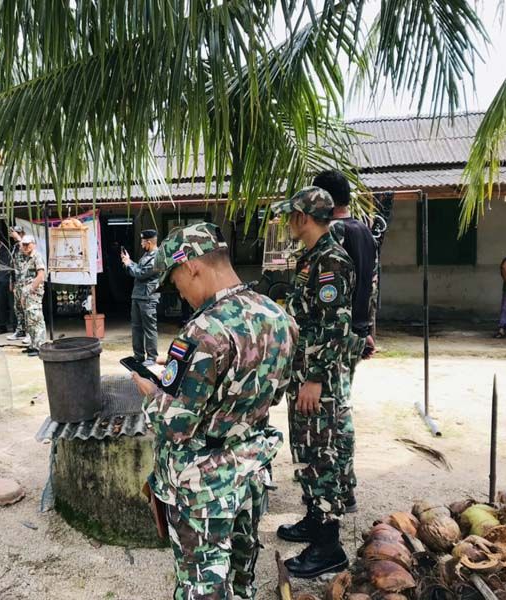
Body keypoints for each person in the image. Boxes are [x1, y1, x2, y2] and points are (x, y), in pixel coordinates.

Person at [131, 222, 297, 599]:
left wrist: (151, 390)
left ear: (192, 266)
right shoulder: (279, 317)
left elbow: (172, 423)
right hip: (251, 471)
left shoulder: (203, 330)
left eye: (176, 282)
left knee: (203, 584)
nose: (180, 293)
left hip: (204, 487)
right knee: (241, 576)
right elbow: (274, 392)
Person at [272, 187, 355, 579]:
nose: (288, 222)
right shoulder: (313, 257)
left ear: (303, 217)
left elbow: (335, 325)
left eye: (291, 215)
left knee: (322, 457)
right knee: (307, 451)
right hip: (304, 374)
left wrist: (316, 378)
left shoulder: (330, 261)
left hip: (316, 380)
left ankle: (328, 548)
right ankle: (313, 519)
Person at [312, 169, 373, 513]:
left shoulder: (333, 233)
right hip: (356, 331)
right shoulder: (363, 230)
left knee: (332, 412)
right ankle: (342, 483)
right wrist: (367, 327)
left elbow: (335, 297)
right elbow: (369, 283)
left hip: (337, 336)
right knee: (341, 404)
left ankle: (339, 486)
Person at [122, 229, 160, 365]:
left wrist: (129, 263)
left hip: (148, 297)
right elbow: (139, 269)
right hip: (138, 295)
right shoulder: (146, 255)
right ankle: (138, 356)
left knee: (149, 328)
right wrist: (129, 262)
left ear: (149, 242)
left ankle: (151, 357)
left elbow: (141, 273)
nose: (141, 244)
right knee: (136, 328)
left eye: (143, 242)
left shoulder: (156, 258)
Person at [17, 235, 46, 356]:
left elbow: (41, 275)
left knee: (36, 318)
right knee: (29, 319)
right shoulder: (26, 258)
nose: (25, 247)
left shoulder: (36, 256)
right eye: (24, 244)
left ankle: (39, 346)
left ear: (33, 244)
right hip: (26, 292)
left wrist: (31, 289)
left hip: (34, 293)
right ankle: (33, 345)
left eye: (27, 244)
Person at [6, 226, 30, 344]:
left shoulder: (27, 243)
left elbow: (27, 253)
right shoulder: (15, 247)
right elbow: (12, 265)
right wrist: (12, 282)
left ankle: (30, 333)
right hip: (18, 281)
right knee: (18, 308)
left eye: (17, 233)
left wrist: (19, 239)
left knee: (27, 308)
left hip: (27, 281)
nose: (15, 235)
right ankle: (20, 330)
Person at [0, 235, 15, 335]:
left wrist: (12, 280)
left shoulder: (7, 250)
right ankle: (2, 326)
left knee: (12, 304)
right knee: (1, 304)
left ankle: (15, 326)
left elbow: (12, 266)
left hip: (8, 280)